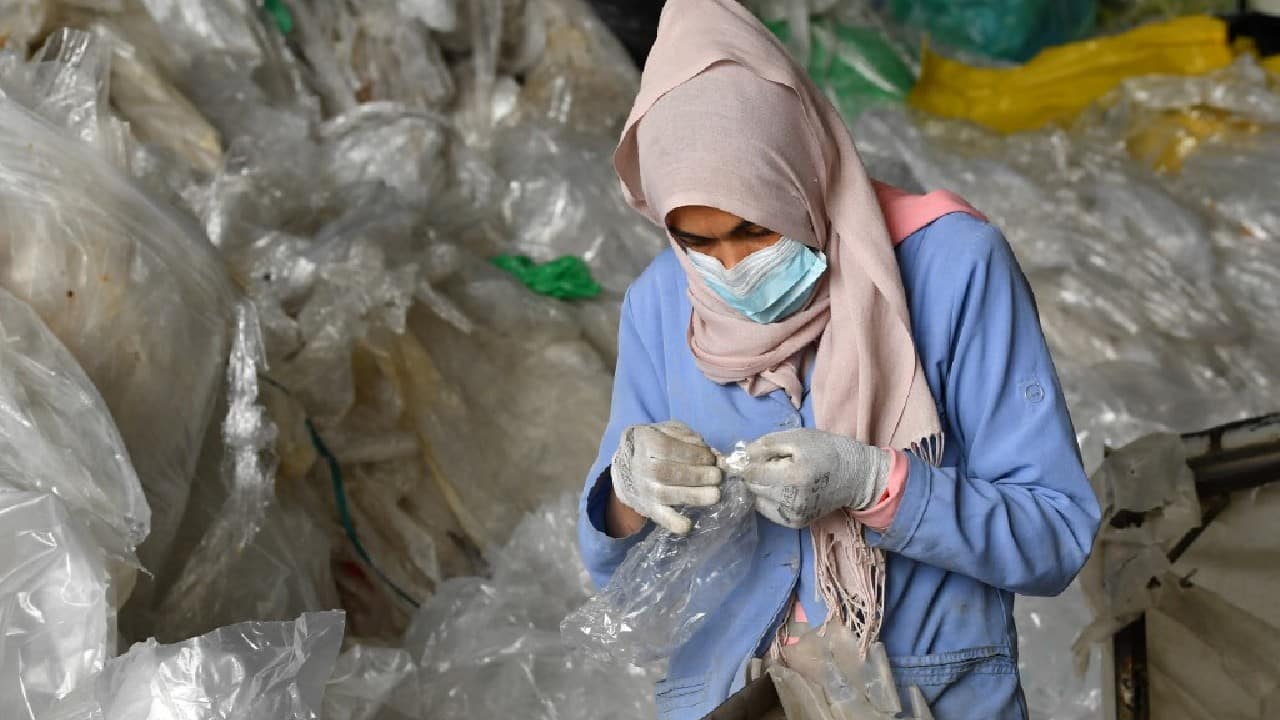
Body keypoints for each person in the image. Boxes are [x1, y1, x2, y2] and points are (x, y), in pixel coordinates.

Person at [576, 1, 1101, 718]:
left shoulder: (951, 270)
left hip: (926, 695)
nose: (730, 268)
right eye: (696, 242)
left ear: (798, 171)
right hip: (737, 699)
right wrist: (630, 493)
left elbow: (1055, 536)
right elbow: (611, 564)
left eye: (754, 229)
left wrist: (877, 483)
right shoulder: (661, 304)